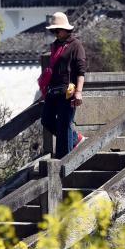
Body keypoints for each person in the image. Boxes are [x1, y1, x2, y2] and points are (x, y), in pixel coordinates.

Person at [39, 11, 87, 158]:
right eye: (53, 31)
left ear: (66, 29)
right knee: (46, 120)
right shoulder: (55, 46)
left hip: (68, 92)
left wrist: (79, 92)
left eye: (57, 30)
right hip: (53, 91)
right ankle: (76, 138)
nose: (55, 33)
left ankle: (63, 160)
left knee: (63, 125)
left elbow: (81, 71)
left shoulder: (76, 45)